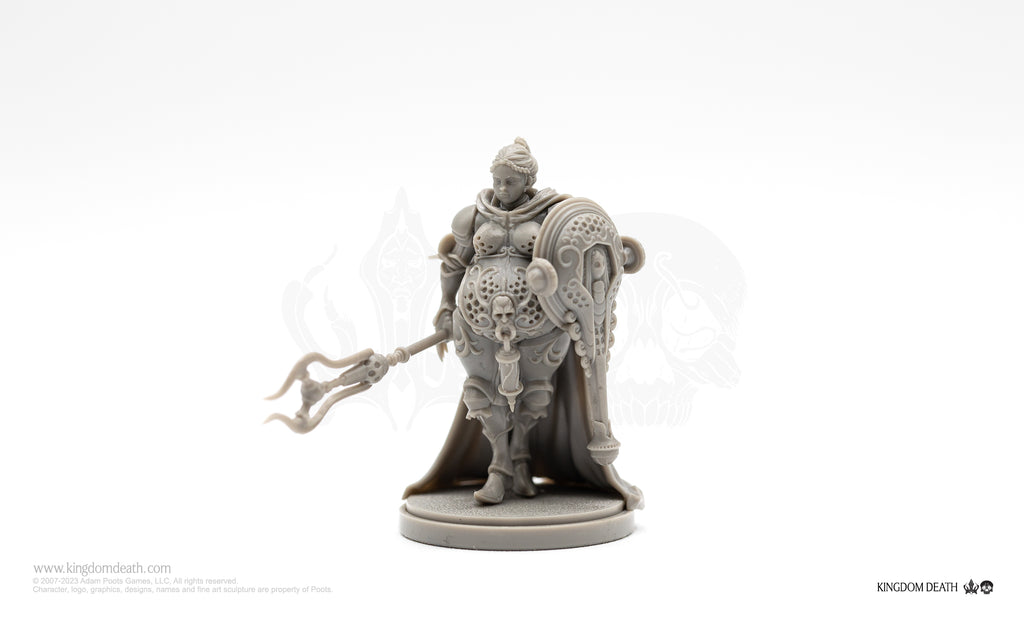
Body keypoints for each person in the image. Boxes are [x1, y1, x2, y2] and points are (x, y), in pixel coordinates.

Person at [406, 138, 643, 508]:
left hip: (540, 324)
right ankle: (498, 466)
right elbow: (454, 263)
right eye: (497, 180)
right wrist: (446, 306)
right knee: (481, 393)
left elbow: (577, 260)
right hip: (476, 320)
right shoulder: (474, 216)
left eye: (510, 182)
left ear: (528, 181)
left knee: (534, 395)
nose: (502, 189)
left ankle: (520, 456)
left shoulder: (550, 215)